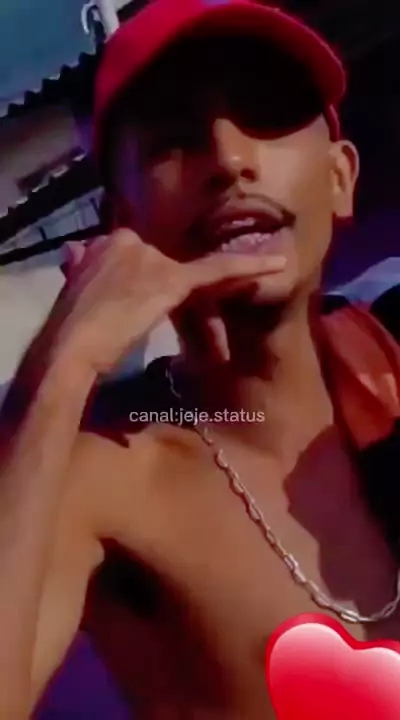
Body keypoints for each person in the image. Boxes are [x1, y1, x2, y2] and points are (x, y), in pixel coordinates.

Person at [1, 0, 400, 718]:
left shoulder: (387, 364)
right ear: (124, 225)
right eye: (171, 140)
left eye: (266, 113)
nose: (229, 159)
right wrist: (64, 360)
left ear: (340, 177)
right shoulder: (108, 482)